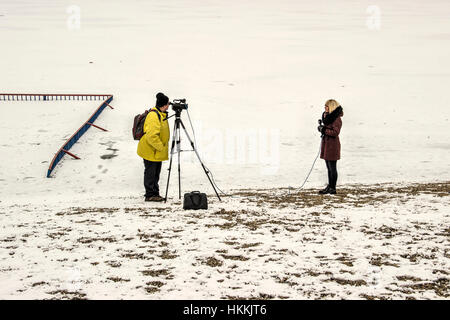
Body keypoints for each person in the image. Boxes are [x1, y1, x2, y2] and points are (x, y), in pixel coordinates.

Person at [137, 92, 170, 202]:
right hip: (150, 150)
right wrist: (161, 146)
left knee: (155, 173)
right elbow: (151, 135)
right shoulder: (153, 116)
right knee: (151, 173)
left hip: (155, 151)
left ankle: (154, 193)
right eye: (167, 104)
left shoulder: (160, 114)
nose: (169, 106)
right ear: (164, 105)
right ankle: (150, 195)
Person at [317, 99, 344, 195]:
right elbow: (327, 129)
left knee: (332, 167)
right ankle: (330, 186)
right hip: (327, 144)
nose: (325, 108)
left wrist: (324, 130)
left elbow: (335, 132)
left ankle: (333, 188)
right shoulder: (329, 117)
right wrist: (321, 128)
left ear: (331, 107)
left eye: (326, 106)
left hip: (333, 145)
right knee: (328, 167)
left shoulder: (336, 119)